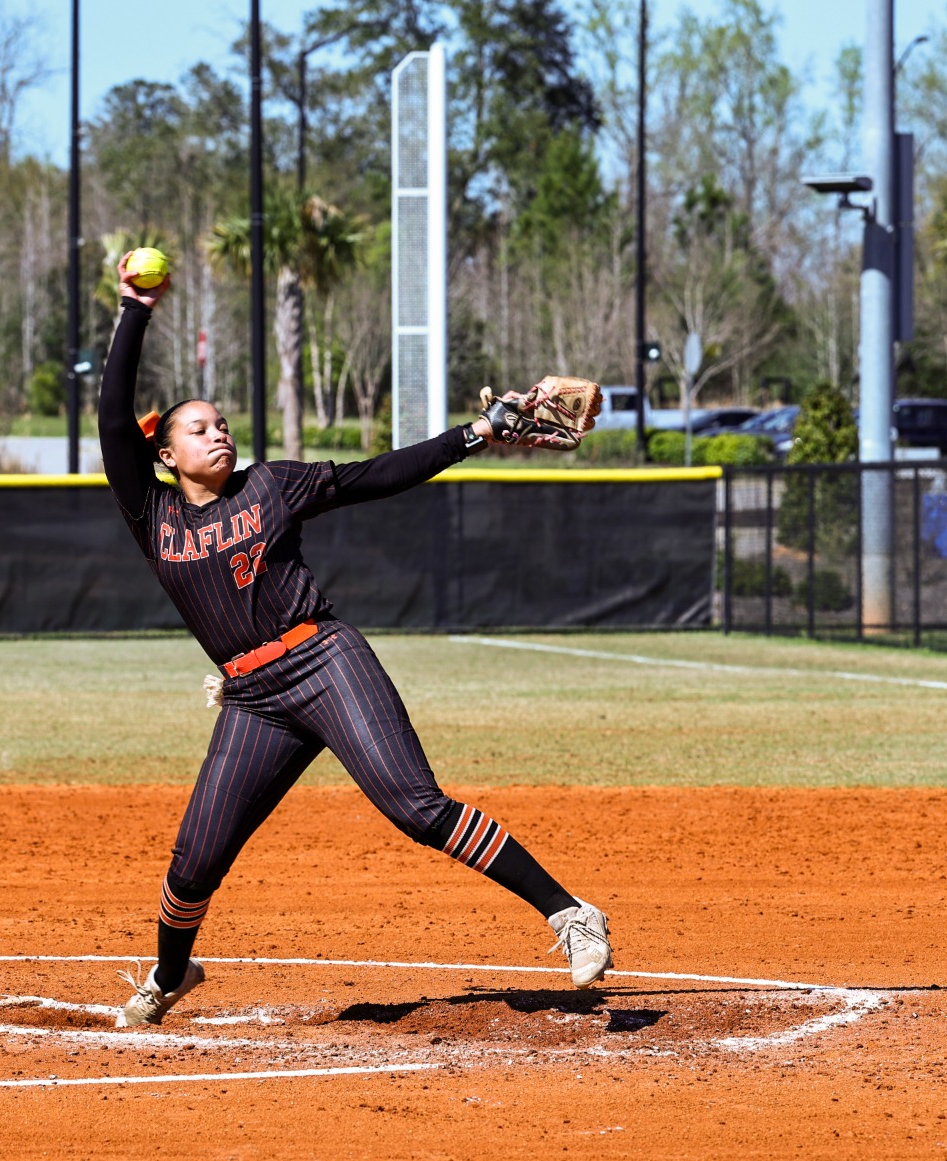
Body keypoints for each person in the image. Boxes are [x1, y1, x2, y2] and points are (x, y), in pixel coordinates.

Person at [98, 256, 614, 1027]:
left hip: (325, 659)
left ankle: (571, 913)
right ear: (167, 456)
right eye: (199, 428)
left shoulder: (271, 485)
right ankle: (171, 975)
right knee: (194, 859)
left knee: (416, 807)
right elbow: (112, 414)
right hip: (253, 700)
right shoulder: (154, 517)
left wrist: (474, 433)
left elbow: (380, 474)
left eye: (223, 422)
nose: (220, 433)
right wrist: (134, 309)